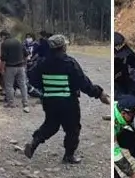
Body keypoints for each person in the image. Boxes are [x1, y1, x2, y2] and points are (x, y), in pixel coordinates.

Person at [25, 35, 111, 164]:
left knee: (51, 125)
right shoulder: (69, 62)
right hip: (68, 102)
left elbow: (32, 78)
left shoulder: (42, 62)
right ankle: (69, 155)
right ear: (63, 47)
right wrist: (99, 94)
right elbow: (83, 82)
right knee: (72, 129)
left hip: (49, 101)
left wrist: (45, 87)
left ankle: (34, 142)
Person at [0, 30, 30, 113]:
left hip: (10, 67)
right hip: (21, 66)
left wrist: (2, 69)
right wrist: (25, 64)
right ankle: (25, 102)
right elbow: (26, 54)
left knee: (9, 85)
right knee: (23, 85)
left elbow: (3, 59)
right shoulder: (18, 41)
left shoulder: (4, 44)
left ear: (3, 36)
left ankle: (11, 103)